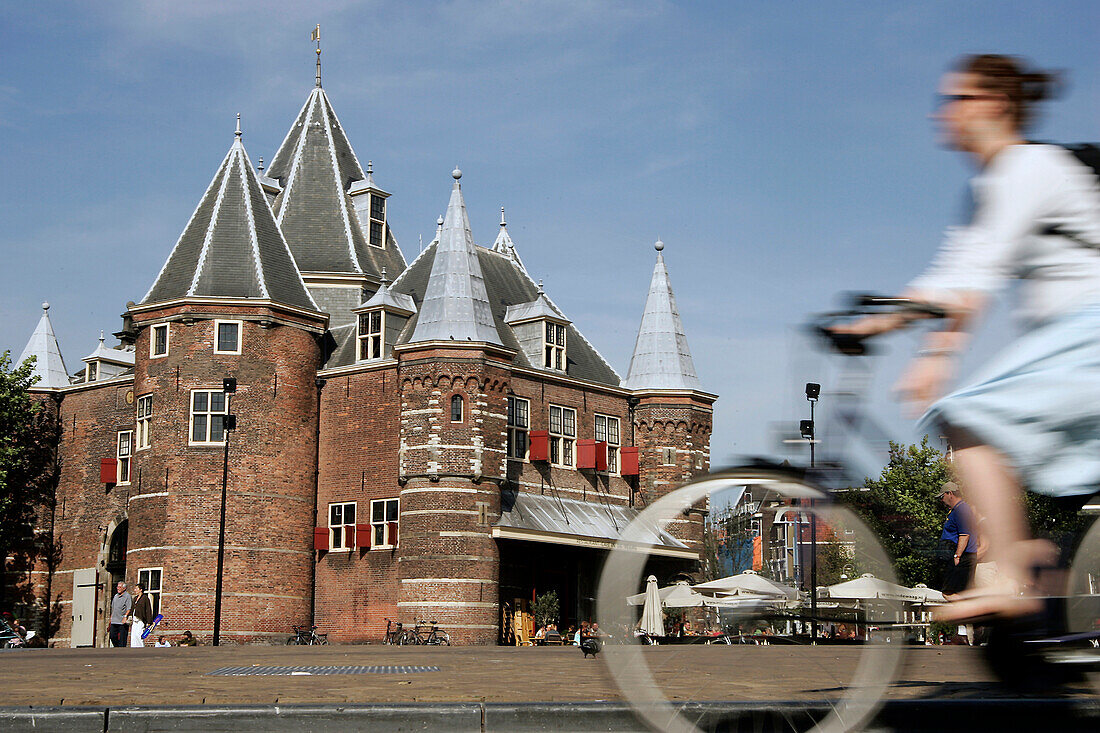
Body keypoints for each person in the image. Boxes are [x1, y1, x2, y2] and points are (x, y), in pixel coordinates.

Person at [834, 54, 1100, 622]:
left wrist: (931, 355)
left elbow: (972, 281)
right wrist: (879, 325)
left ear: (997, 104)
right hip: (1075, 340)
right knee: (1007, 451)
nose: (943, 113)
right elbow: (954, 276)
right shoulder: (995, 185)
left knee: (969, 419)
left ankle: (1007, 573)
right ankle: (1037, 582)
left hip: (1090, 333)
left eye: (958, 99)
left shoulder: (1028, 168)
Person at [938, 482, 977, 600]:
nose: (941, 500)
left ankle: (970, 611)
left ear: (950, 493)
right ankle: (970, 611)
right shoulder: (957, 510)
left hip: (962, 557)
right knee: (962, 592)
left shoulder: (962, 509)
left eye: (942, 496)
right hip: (961, 556)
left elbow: (964, 535)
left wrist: (957, 556)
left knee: (948, 592)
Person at [128, 583, 154, 647]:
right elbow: (132, 608)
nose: (135, 590)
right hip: (134, 620)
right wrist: (130, 616)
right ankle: (133, 648)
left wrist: (149, 621)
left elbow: (148, 610)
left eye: (136, 588)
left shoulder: (145, 598)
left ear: (141, 590)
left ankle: (140, 648)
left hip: (141, 620)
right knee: (133, 636)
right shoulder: (135, 598)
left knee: (139, 635)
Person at [109, 581, 131, 648]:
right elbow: (113, 608)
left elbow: (128, 608)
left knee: (122, 639)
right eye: (117, 587)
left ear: (124, 588)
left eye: (120, 587)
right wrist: (110, 619)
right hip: (114, 620)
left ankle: (121, 650)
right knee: (112, 636)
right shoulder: (115, 596)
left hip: (122, 621)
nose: (118, 588)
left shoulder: (127, 596)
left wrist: (125, 617)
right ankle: (117, 647)